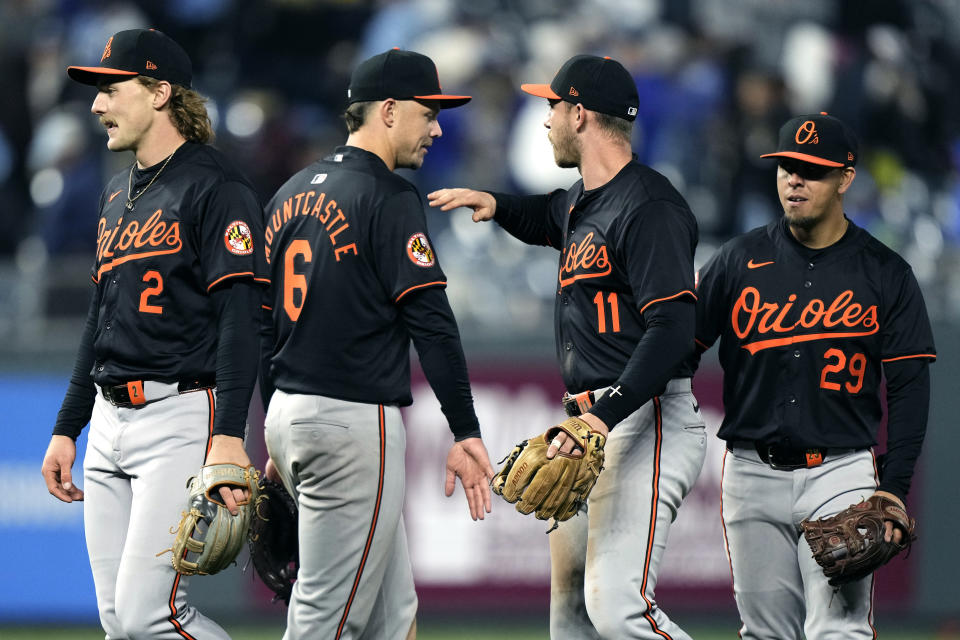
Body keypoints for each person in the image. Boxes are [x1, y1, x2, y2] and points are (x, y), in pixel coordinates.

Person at [429, 54, 706, 640]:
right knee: (572, 613)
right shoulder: (582, 199)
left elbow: (675, 328)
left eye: (551, 106)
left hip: (639, 416)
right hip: (586, 423)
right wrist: (497, 204)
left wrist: (604, 418)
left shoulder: (649, 206)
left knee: (619, 610)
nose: (545, 119)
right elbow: (544, 216)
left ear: (579, 114)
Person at [259, 48, 495, 639]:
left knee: (394, 618)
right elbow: (433, 323)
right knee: (325, 622)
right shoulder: (387, 196)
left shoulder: (286, 195)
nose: (438, 128)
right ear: (388, 111)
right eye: (428, 112)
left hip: (289, 414)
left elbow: (261, 325)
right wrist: (466, 429)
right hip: (350, 422)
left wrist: (272, 432)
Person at [40, 29, 268, 638]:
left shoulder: (216, 187)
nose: (96, 104)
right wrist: (68, 427)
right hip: (110, 422)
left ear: (160, 91)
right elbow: (100, 317)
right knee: (118, 621)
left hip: (180, 413)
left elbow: (241, 319)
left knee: (150, 616)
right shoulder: (116, 195)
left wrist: (227, 436)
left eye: (111, 88)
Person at [693, 112, 935, 639]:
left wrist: (893, 487)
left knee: (839, 632)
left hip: (840, 473)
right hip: (751, 472)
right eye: (786, 167)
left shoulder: (885, 273)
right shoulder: (737, 261)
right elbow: (675, 351)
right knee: (765, 634)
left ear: (846, 178)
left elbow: (910, 389)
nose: (794, 180)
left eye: (812, 170)